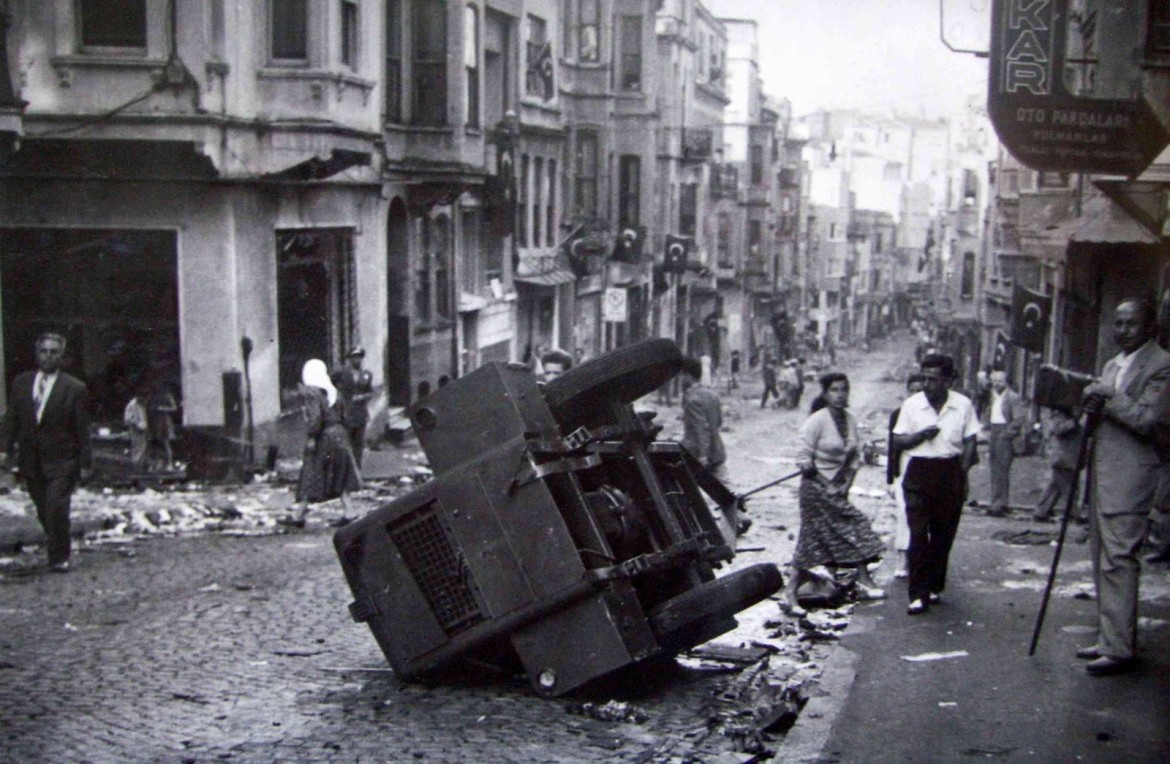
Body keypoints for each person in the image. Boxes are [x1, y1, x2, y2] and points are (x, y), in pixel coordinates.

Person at [1077, 298, 1170, 675]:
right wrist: (1089, 406)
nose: (1122, 331)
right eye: (1117, 323)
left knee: (1120, 558)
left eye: (1131, 324)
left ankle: (1119, 648)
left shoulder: (1161, 365)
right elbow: (1105, 414)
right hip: (1104, 471)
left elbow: (1150, 421)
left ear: (1150, 327)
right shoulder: (1112, 364)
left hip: (1133, 475)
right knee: (1102, 557)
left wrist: (1109, 397)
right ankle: (1109, 637)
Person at [783, 372, 886, 615]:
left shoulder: (849, 419)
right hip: (815, 489)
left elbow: (854, 456)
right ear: (825, 393)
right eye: (834, 390)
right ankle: (860, 580)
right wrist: (823, 483)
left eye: (844, 390)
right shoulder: (817, 421)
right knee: (847, 527)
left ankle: (860, 580)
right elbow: (802, 458)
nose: (840, 395)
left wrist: (844, 485)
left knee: (827, 536)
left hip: (838, 488)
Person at [891, 353, 980, 615]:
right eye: (926, 378)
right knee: (918, 535)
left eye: (935, 379)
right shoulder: (912, 405)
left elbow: (971, 441)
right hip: (919, 471)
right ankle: (917, 594)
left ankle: (933, 586)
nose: (929, 384)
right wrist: (920, 436)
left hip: (949, 470)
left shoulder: (962, 405)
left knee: (943, 536)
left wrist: (963, 473)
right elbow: (898, 441)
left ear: (949, 380)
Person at [0, 332, 92, 572]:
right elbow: (12, 420)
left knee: (56, 506)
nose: (48, 357)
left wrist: (85, 462)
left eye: (54, 353)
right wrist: (5, 449)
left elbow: (82, 428)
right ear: (37, 354)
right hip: (31, 458)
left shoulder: (74, 388)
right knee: (43, 507)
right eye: (44, 352)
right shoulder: (21, 383)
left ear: (61, 357)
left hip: (63, 458)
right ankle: (58, 540)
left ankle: (59, 557)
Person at [285, 359, 362, 527]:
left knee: (312, 473)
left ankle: (299, 515)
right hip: (340, 435)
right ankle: (349, 512)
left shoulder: (312, 393)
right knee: (338, 473)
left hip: (324, 437)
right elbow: (345, 416)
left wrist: (312, 436)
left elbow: (315, 418)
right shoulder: (334, 391)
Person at [887, 373, 927, 578]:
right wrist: (890, 479)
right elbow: (892, 448)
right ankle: (903, 557)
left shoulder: (931, 415)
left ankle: (919, 559)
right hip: (904, 468)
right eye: (911, 390)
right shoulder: (897, 414)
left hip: (926, 467)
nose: (914, 395)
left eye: (919, 391)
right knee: (904, 513)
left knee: (924, 515)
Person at [679, 357, 727, 480]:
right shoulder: (712, 395)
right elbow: (718, 422)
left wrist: (702, 455)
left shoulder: (692, 399)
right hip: (717, 451)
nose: (681, 379)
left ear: (688, 376)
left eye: (682, 375)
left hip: (698, 454)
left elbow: (700, 429)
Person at [985, 370, 1024, 517]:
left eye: (1000, 381)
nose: (997, 384)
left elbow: (1019, 419)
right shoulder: (993, 396)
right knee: (994, 469)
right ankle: (997, 501)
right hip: (994, 431)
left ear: (1006, 382)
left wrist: (1006, 434)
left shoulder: (1013, 397)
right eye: (994, 381)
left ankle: (1000, 503)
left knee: (1002, 469)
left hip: (1004, 433)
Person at [1032, 406, 1080, 522]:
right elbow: (1057, 430)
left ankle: (1041, 511)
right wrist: (1075, 421)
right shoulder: (1060, 418)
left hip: (1066, 458)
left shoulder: (1065, 417)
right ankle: (1075, 513)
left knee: (1055, 487)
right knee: (1068, 488)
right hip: (1062, 459)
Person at [333, 347, 374, 469]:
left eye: (360, 357)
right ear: (350, 359)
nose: (358, 360)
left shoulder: (366, 374)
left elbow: (370, 392)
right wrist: (338, 398)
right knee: (346, 442)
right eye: (355, 357)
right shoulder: (341, 372)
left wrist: (362, 397)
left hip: (360, 413)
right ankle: (345, 470)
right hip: (346, 412)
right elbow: (330, 385)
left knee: (358, 443)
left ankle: (357, 469)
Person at [147, 382, 178, 471]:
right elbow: (149, 407)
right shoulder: (153, 396)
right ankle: (154, 465)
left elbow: (174, 408)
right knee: (154, 444)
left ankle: (169, 464)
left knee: (165, 443)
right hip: (155, 421)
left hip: (164, 421)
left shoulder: (167, 395)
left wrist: (162, 408)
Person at [123, 389, 149, 471]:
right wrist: (137, 426)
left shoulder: (140, 404)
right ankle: (136, 465)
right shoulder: (133, 405)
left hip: (141, 427)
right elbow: (129, 418)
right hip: (136, 427)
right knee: (138, 446)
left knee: (142, 446)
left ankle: (140, 464)